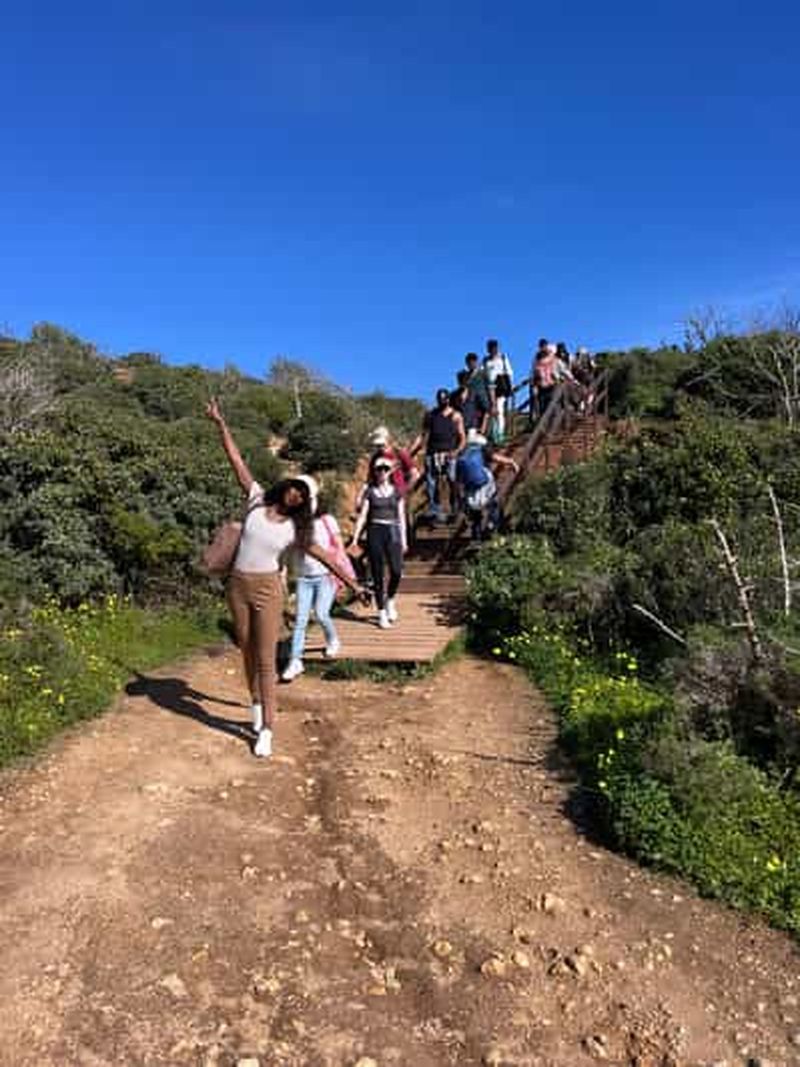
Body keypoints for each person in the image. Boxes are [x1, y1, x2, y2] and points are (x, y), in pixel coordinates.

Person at [205, 399, 368, 758]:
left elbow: (326, 556)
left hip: (267, 590)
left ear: (305, 504)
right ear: (287, 485)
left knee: (265, 660)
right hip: (237, 586)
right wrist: (221, 424)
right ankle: (256, 705)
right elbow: (237, 461)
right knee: (246, 652)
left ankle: (267, 729)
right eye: (296, 487)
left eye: (304, 495)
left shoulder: (298, 529)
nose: (297, 494)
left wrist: (354, 584)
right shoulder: (257, 500)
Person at [282, 478, 346, 683]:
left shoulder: (326, 520)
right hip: (303, 577)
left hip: (325, 576)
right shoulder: (294, 524)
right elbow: (287, 548)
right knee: (300, 620)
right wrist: (283, 569)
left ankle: (333, 639)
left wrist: (341, 574)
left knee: (320, 613)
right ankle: (295, 660)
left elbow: (338, 547)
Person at [350, 455, 407, 629]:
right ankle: (381, 612)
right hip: (375, 531)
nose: (382, 472)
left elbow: (402, 516)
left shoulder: (397, 492)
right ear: (374, 472)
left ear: (390, 472)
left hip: (393, 531)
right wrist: (355, 537)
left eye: (385, 469)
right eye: (379, 469)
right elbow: (363, 516)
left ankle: (390, 599)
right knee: (377, 573)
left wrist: (404, 539)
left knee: (396, 571)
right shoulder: (370, 492)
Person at [410, 388, 466, 523]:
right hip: (432, 453)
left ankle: (455, 508)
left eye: (444, 399)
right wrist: (411, 451)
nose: (442, 401)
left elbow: (462, 437)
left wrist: (457, 451)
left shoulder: (456, 415)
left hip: (449, 453)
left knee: (452, 480)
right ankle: (434, 509)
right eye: (440, 399)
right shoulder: (431, 415)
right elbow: (422, 436)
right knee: (431, 482)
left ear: (448, 399)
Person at [456, 428, 519, 540]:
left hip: (470, 488)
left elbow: (458, 479)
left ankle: (476, 537)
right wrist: (511, 462)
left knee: (476, 514)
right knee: (493, 503)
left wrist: (461, 497)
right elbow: (496, 458)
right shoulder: (482, 449)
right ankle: (491, 524)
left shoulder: (462, 454)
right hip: (484, 484)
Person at [368, 425, 417, 497]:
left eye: (382, 444)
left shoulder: (399, 454)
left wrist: (405, 490)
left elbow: (414, 473)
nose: (380, 447)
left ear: (388, 440)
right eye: (378, 445)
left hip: (397, 494)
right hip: (379, 496)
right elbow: (371, 478)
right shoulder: (375, 458)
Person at [483, 339, 514, 443]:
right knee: (492, 412)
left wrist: (510, 387)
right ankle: (494, 433)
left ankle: (500, 434)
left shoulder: (503, 358)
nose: (493, 350)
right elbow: (483, 373)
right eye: (490, 348)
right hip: (489, 388)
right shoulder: (486, 361)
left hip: (500, 388)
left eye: (494, 347)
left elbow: (509, 372)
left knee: (499, 410)